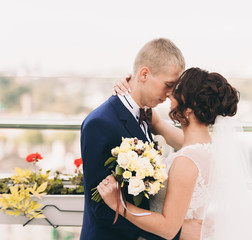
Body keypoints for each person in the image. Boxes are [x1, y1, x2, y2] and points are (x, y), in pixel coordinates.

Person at [98, 67, 252, 239]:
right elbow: (169, 132)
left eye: (177, 92)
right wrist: (133, 86)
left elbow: (168, 228)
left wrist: (119, 204)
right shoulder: (208, 148)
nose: (170, 95)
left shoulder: (186, 161)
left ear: (189, 109)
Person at [81, 38, 192, 240]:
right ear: (144, 74)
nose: (170, 95)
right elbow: (100, 205)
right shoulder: (100, 123)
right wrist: (161, 234)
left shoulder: (147, 116)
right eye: (168, 85)